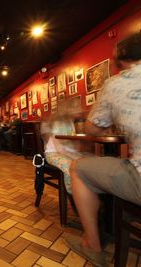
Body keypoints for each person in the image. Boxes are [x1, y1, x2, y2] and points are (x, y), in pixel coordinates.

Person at [66, 32, 141, 267]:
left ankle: (92, 244)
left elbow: (92, 129)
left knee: (77, 167)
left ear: (121, 57)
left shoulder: (117, 82)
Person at [40, 102, 85, 194]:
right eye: (76, 107)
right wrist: (74, 156)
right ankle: (73, 193)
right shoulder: (58, 123)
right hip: (53, 153)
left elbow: (72, 141)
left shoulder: (70, 122)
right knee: (71, 166)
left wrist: (77, 151)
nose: (80, 110)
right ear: (67, 110)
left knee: (87, 163)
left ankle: (86, 191)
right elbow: (59, 148)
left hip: (67, 151)